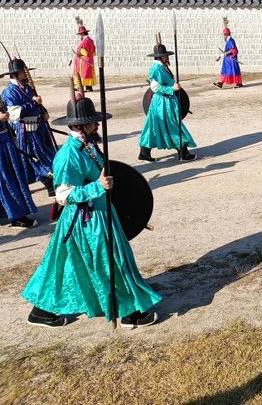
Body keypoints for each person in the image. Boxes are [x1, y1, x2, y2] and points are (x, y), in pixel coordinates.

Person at [22, 94, 161, 328]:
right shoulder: (68, 155)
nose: (97, 124)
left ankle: (42, 311)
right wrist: (98, 187)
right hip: (86, 221)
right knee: (109, 262)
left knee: (67, 266)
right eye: (93, 121)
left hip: (99, 214)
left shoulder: (87, 146)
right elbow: (63, 195)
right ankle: (128, 311)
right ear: (80, 125)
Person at [1, 58, 56, 196]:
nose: (25, 74)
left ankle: (51, 184)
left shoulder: (27, 87)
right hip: (27, 131)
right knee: (36, 158)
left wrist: (43, 111)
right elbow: (14, 113)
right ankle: (50, 184)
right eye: (22, 72)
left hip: (39, 128)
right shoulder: (9, 91)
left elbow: (37, 103)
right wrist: (33, 103)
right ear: (15, 74)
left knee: (49, 155)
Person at [138, 36, 196, 162]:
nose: (167, 58)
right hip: (162, 102)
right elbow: (154, 87)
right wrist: (172, 89)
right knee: (173, 125)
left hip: (166, 101)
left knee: (154, 126)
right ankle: (183, 152)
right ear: (159, 57)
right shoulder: (156, 68)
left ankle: (144, 152)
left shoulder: (162, 66)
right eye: (164, 56)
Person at [0, 99, 38, 228]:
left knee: (14, 178)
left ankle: (13, 213)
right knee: (6, 181)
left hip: (6, 142)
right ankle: (16, 216)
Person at [73, 24, 97, 92]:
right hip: (89, 59)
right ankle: (89, 88)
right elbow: (94, 51)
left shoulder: (85, 41)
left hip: (84, 60)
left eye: (80, 34)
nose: (80, 36)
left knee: (83, 73)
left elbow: (84, 51)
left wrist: (78, 54)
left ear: (83, 34)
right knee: (87, 73)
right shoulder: (91, 40)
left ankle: (80, 87)